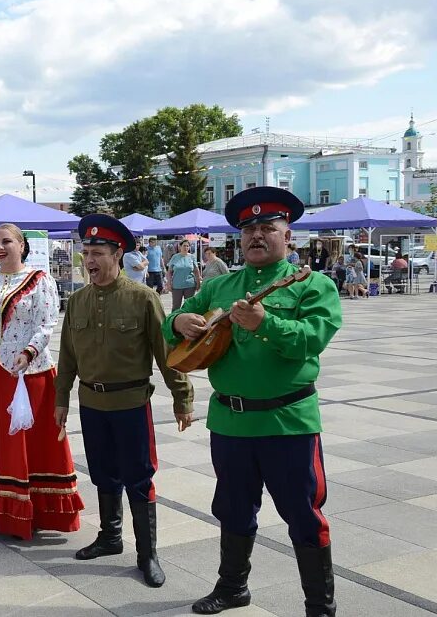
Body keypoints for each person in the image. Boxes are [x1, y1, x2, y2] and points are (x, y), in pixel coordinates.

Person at [165, 187, 342, 617]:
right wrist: (179, 319)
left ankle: (320, 605)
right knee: (232, 507)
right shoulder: (221, 285)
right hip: (231, 422)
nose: (257, 236)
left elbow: (313, 339)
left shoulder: (312, 285)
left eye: (268, 228)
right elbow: (175, 329)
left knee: (303, 514)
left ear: (289, 237)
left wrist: (267, 323)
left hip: (288, 423)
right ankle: (232, 588)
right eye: (250, 230)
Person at [55, 214, 195, 588]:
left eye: (98, 252)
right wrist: (61, 400)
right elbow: (67, 356)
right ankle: (110, 537)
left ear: (118, 254)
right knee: (102, 473)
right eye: (85, 252)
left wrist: (182, 397)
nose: (90, 260)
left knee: (138, 478)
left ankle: (147, 554)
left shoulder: (142, 298)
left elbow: (166, 352)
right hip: (92, 405)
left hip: (131, 404)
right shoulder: (79, 300)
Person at [0, 223, 83, 540]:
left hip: (28, 373)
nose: (0, 247)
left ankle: (33, 514)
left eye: (7, 242)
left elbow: (47, 325)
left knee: (27, 443)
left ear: (22, 245)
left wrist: (29, 352)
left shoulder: (39, 280)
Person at [167, 240, 201, 311]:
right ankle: (174, 320)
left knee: (189, 305)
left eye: (187, 246)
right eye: (184, 246)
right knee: (176, 306)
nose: (186, 247)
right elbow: (169, 272)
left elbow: (196, 271)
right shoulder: (175, 257)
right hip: (177, 285)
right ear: (180, 247)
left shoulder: (192, 257)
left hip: (190, 285)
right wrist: (169, 284)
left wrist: (198, 283)